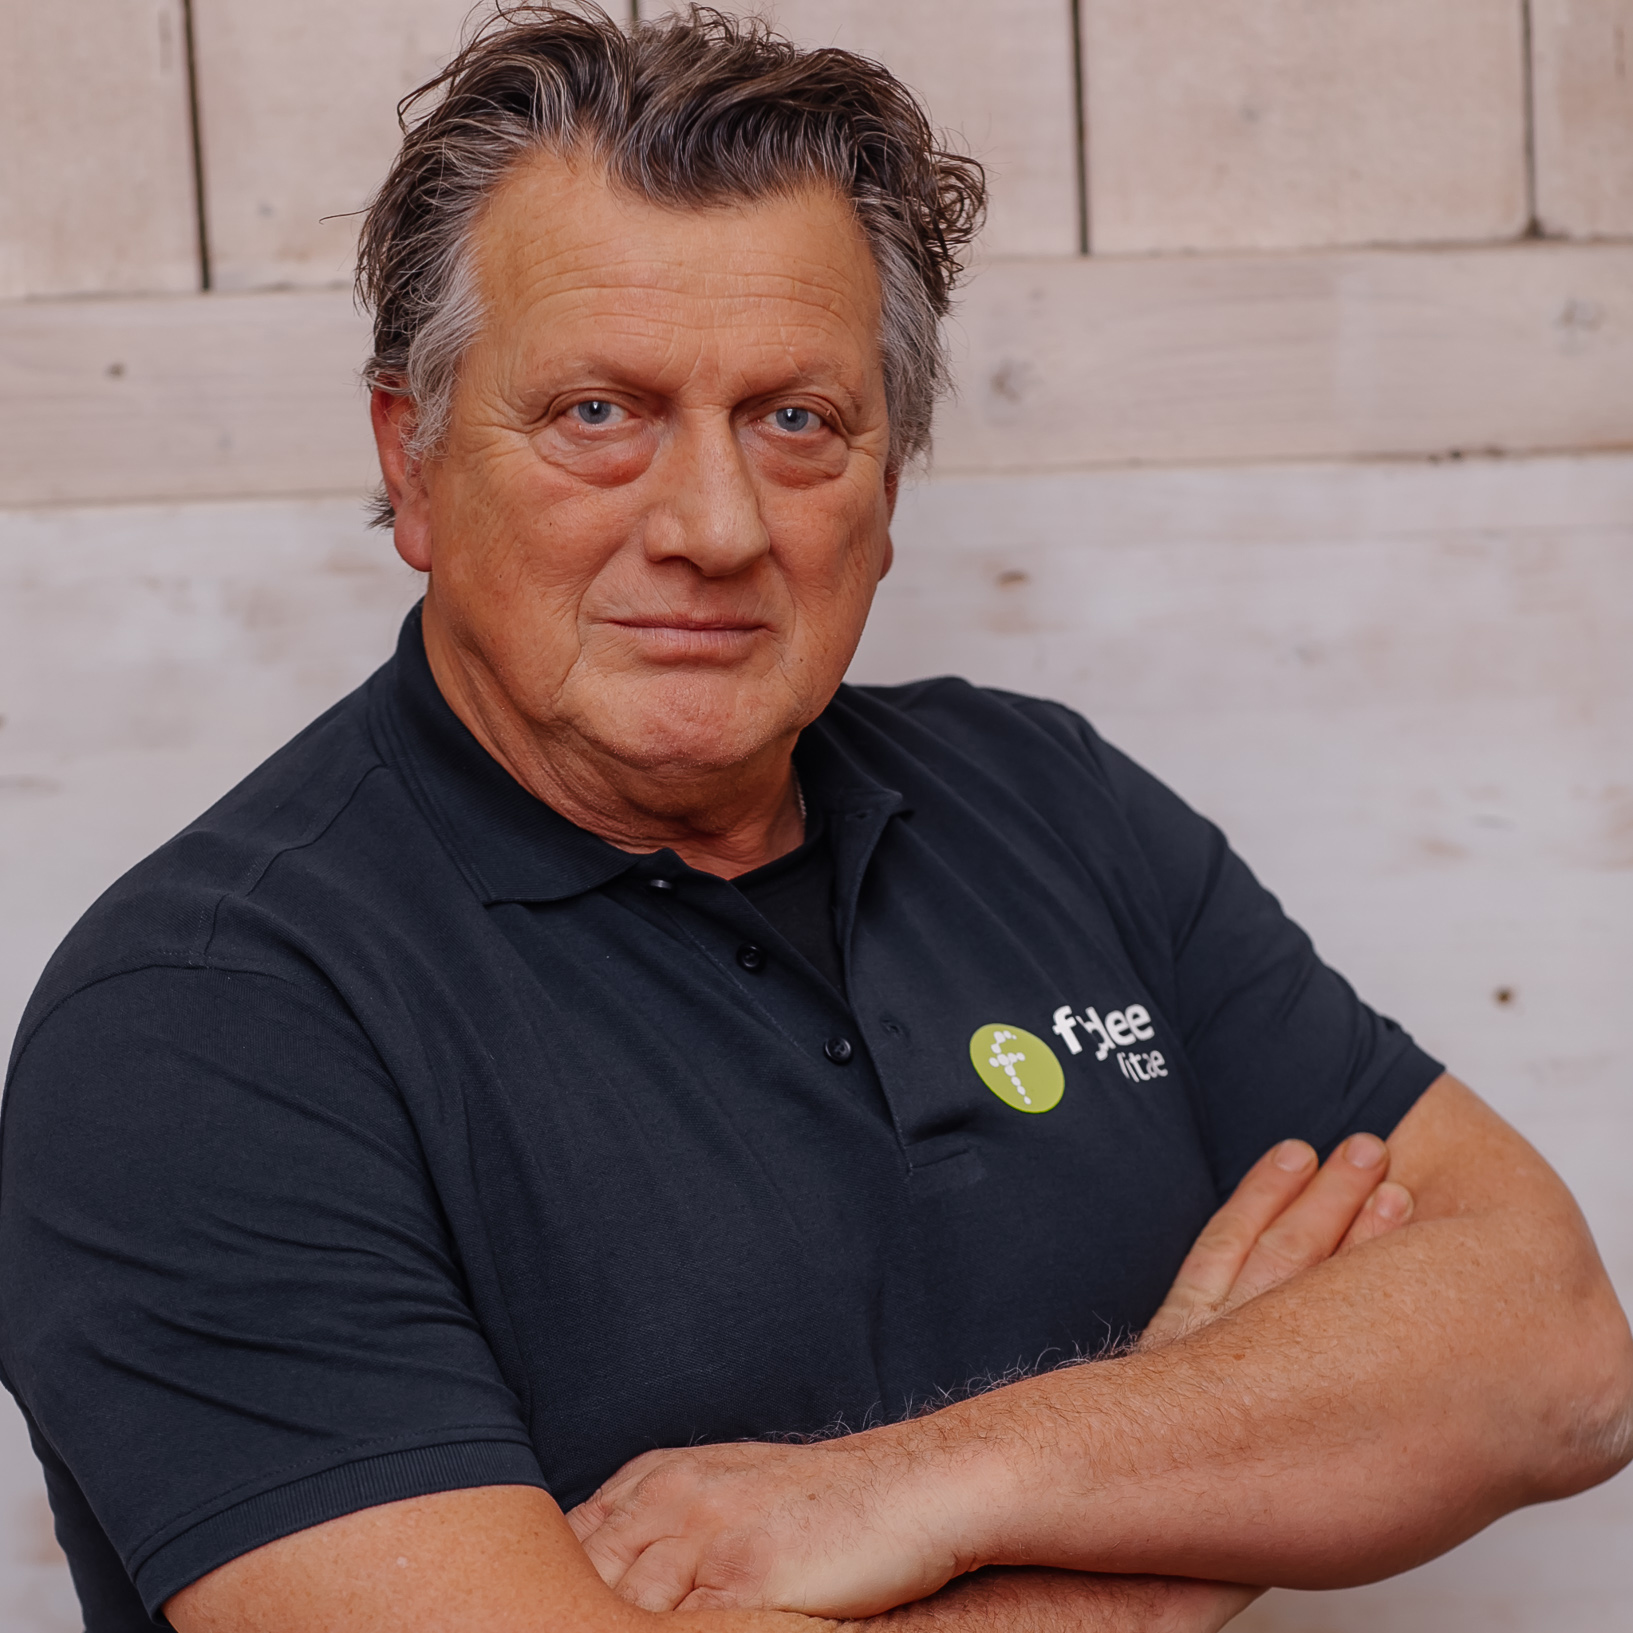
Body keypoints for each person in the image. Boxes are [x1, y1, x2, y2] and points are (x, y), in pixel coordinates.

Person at [3, 7, 1629, 1631]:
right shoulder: (202, 1025)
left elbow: (1558, 1353)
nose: (713, 526)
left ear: (888, 482)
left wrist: (921, 1486)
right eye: (597, 413)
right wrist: (1212, 1481)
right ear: (413, 463)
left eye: (795, 419)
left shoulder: (1046, 799)